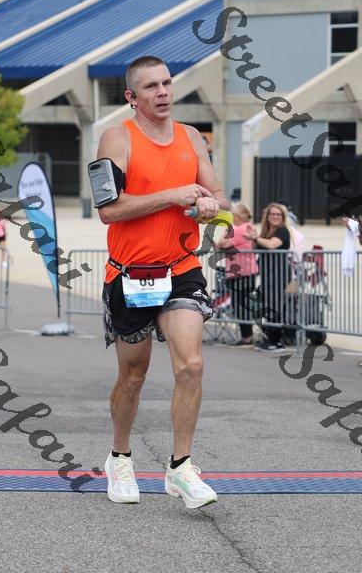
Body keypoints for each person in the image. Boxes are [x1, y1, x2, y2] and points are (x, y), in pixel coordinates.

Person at [97, 55, 230, 508]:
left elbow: (220, 197)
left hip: (181, 268)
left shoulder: (191, 137)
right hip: (130, 273)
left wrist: (211, 205)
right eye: (151, 86)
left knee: (191, 365)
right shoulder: (117, 138)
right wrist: (172, 196)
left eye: (167, 83)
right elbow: (108, 210)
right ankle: (120, 456)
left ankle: (181, 466)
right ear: (131, 97)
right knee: (133, 375)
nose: (163, 92)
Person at [244, 202, 292, 352]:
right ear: (267, 216)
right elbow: (255, 248)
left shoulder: (283, 231)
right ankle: (269, 336)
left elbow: (272, 245)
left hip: (278, 274)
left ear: (282, 217)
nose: (276, 217)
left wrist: (256, 238)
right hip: (266, 275)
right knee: (257, 304)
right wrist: (253, 237)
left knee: (274, 306)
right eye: (273, 214)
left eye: (279, 214)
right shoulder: (265, 232)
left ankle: (276, 342)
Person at [215, 202, 258, 346]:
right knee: (240, 304)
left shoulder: (240, 229)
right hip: (242, 272)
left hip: (242, 272)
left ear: (237, 216)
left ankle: (247, 337)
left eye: (232, 215)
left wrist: (227, 230)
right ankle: (247, 336)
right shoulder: (246, 227)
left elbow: (221, 244)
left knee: (241, 305)